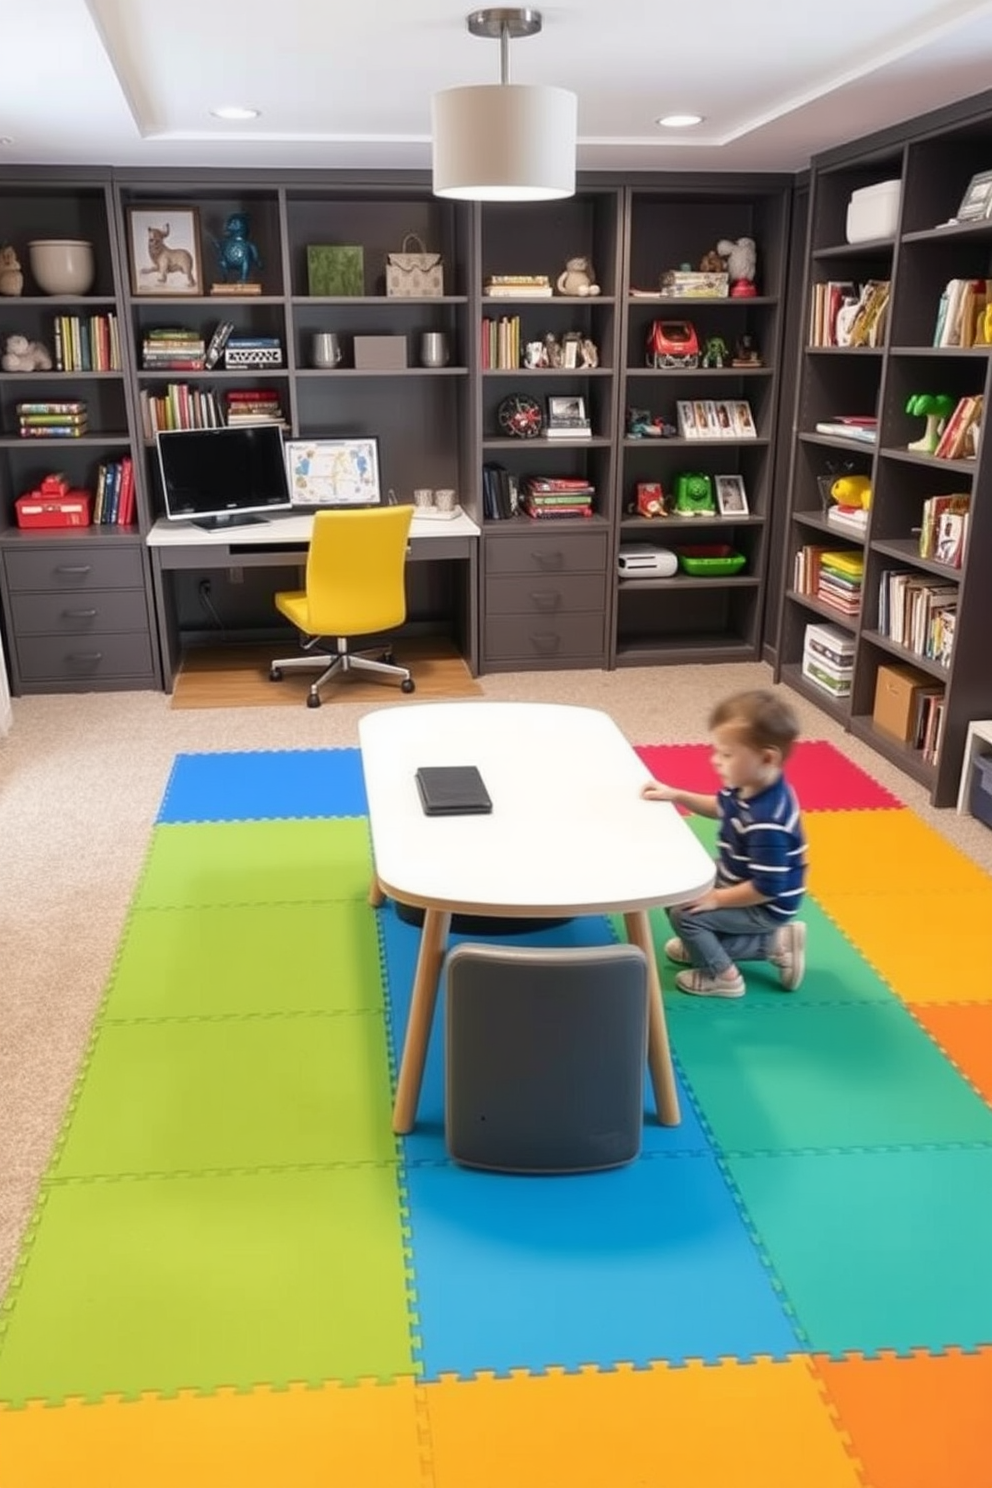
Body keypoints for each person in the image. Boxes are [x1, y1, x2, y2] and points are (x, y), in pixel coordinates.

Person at [641, 689, 808, 998]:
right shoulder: (750, 784)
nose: (715, 761)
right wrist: (676, 794)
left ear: (767, 757)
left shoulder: (767, 819)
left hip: (764, 905)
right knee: (683, 883)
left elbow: (766, 887)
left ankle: (727, 974)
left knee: (686, 915)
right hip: (738, 876)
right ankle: (710, 947)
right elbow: (721, 807)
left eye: (727, 754)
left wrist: (717, 898)